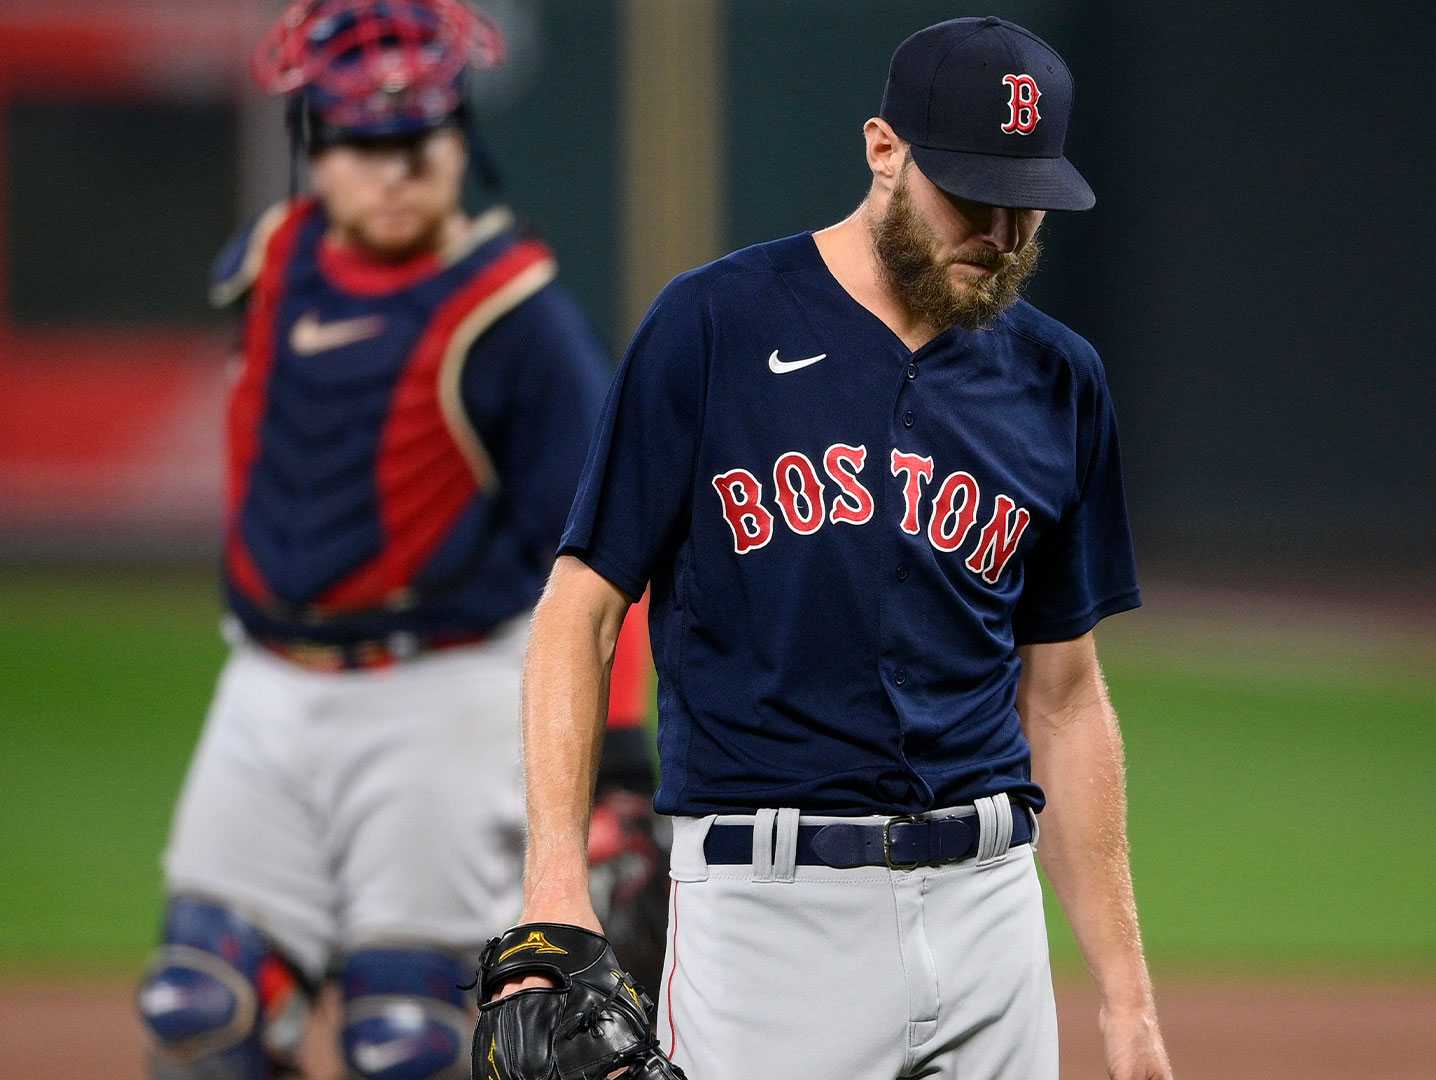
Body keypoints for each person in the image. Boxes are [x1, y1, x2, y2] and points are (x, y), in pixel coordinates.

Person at [485, 16, 1174, 1080]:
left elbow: (1067, 698)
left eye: (1023, 198)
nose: (997, 227)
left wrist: (1128, 1000)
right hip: (770, 918)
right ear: (882, 150)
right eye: (968, 192)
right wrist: (554, 890)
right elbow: (580, 608)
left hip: (990, 904)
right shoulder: (711, 327)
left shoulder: (1058, 378)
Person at [133, 2, 661, 1076]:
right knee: (203, 1008)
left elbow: (611, 551)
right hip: (268, 688)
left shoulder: (517, 316)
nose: (398, 166)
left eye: (421, 136)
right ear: (314, 150)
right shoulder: (270, 262)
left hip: (447, 693)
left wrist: (615, 766)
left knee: (408, 1035)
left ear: (461, 138)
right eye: (365, 141)